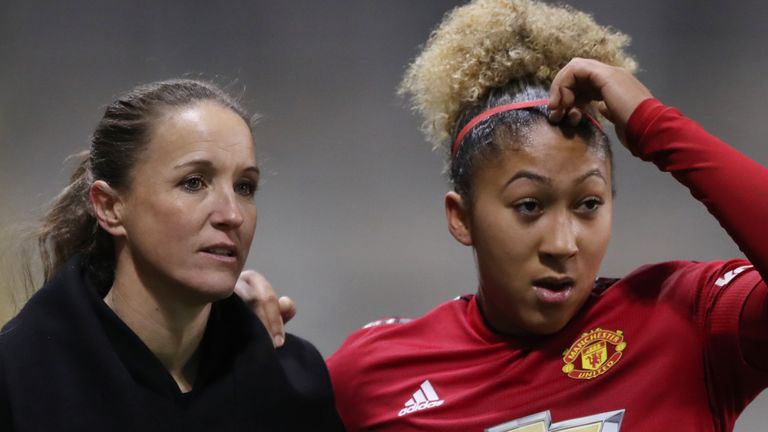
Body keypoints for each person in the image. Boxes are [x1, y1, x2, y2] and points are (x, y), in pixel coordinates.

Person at [241, 0, 768, 430]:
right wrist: (220, 359)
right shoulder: (375, 375)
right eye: (529, 206)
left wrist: (657, 124)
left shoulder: (687, 322)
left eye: (588, 204)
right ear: (461, 218)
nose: (563, 242)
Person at [0, 79, 344, 431]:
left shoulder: (292, 385)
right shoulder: (17, 382)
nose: (232, 214)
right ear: (110, 207)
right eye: (194, 182)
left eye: (244, 187)